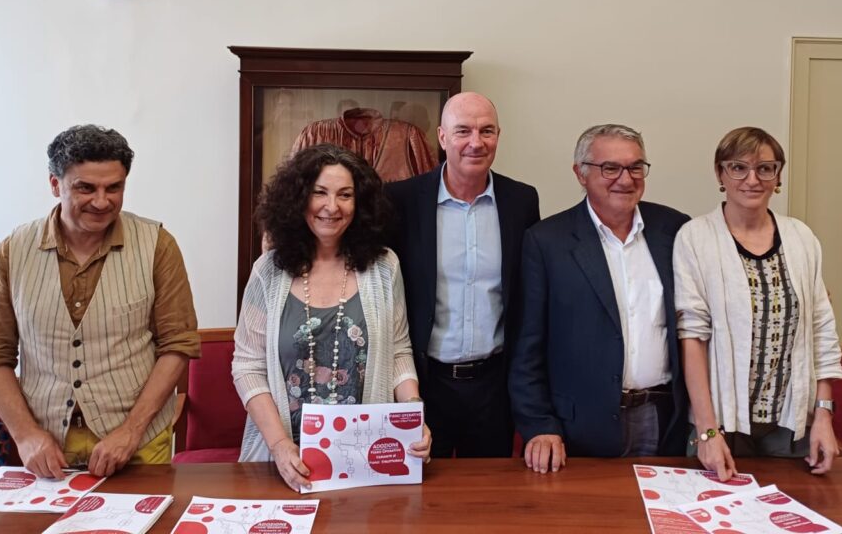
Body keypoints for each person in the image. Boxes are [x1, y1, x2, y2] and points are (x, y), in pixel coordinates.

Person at [0, 125, 200, 478]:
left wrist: (131, 431)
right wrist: (26, 434)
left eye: (114, 188)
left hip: (139, 444)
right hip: (46, 447)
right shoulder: (11, 252)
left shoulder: (158, 246)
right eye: (85, 188)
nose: (102, 201)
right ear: (54, 184)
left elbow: (177, 345)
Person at [232, 143, 430, 491]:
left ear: (360, 203)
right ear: (298, 198)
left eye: (345, 195)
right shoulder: (267, 272)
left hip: (364, 459)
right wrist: (280, 447)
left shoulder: (385, 267)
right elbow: (247, 367)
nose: (332, 206)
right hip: (283, 461)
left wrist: (412, 415)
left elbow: (399, 351)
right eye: (319, 192)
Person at [510, 124, 689, 473]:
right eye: (610, 168)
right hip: (579, 428)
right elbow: (527, 348)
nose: (626, 179)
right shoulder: (547, 242)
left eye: (636, 167)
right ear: (581, 173)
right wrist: (540, 424)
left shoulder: (675, 230)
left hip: (664, 419)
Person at [674, 127, 842, 480]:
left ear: (778, 176)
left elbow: (821, 330)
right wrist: (707, 431)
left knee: (800, 507)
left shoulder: (801, 238)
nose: (752, 180)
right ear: (720, 173)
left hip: (791, 425)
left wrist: (823, 415)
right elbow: (692, 338)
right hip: (721, 425)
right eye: (738, 167)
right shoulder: (696, 238)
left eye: (765, 168)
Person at [387, 92, 540, 458]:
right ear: (442, 137)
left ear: (498, 136)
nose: (476, 142)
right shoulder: (401, 200)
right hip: (424, 381)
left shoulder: (521, 201)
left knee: (488, 489)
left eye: (487, 131)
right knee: (423, 484)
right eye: (463, 131)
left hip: (494, 385)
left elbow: (527, 293)